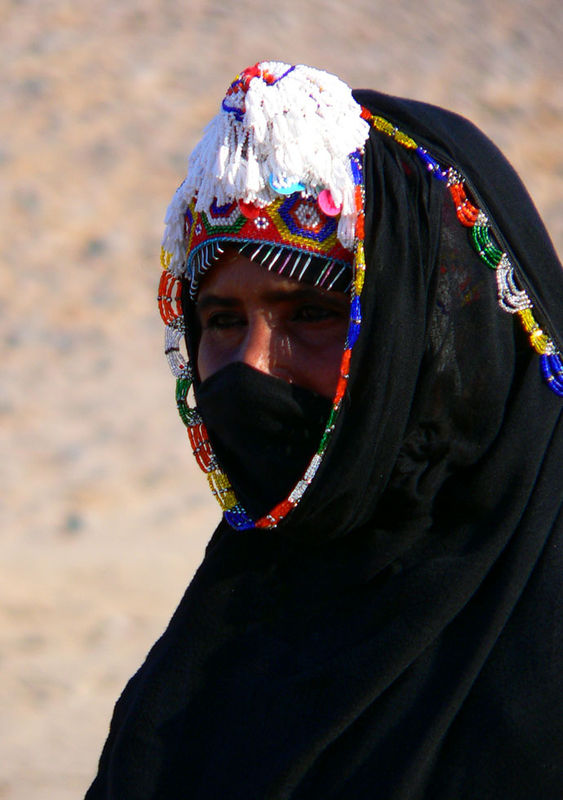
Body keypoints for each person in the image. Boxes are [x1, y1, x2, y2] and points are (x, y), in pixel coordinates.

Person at [86, 62, 563, 799]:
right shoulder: (210, 659)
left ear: (432, 334)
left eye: (311, 313)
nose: (251, 367)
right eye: (222, 321)